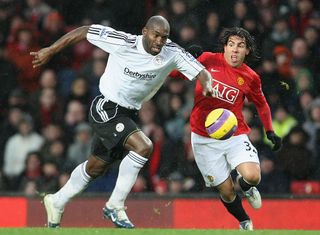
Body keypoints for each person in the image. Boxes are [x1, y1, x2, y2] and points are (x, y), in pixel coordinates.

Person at [30, 15, 214, 229]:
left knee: (96, 167)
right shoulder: (123, 42)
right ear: (145, 31)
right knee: (144, 146)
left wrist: (207, 86)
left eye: (164, 37)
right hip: (106, 107)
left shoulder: (172, 52)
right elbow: (84, 30)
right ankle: (115, 205)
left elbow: (202, 72)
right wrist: (51, 50)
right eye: (156, 35)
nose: (160, 41)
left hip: (129, 113)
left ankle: (56, 201)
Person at [171, 27, 282, 230]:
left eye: (240, 46)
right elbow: (174, 74)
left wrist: (270, 131)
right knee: (227, 191)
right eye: (231, 45)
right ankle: (244, 221)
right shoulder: (207, 59)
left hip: (234, 134)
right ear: (224, 47)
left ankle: (247, 188)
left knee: (252, 176)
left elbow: (262, 104)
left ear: (247, 51)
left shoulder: (250, 77)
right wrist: (186, 57)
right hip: (203, 138)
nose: (235, 50)